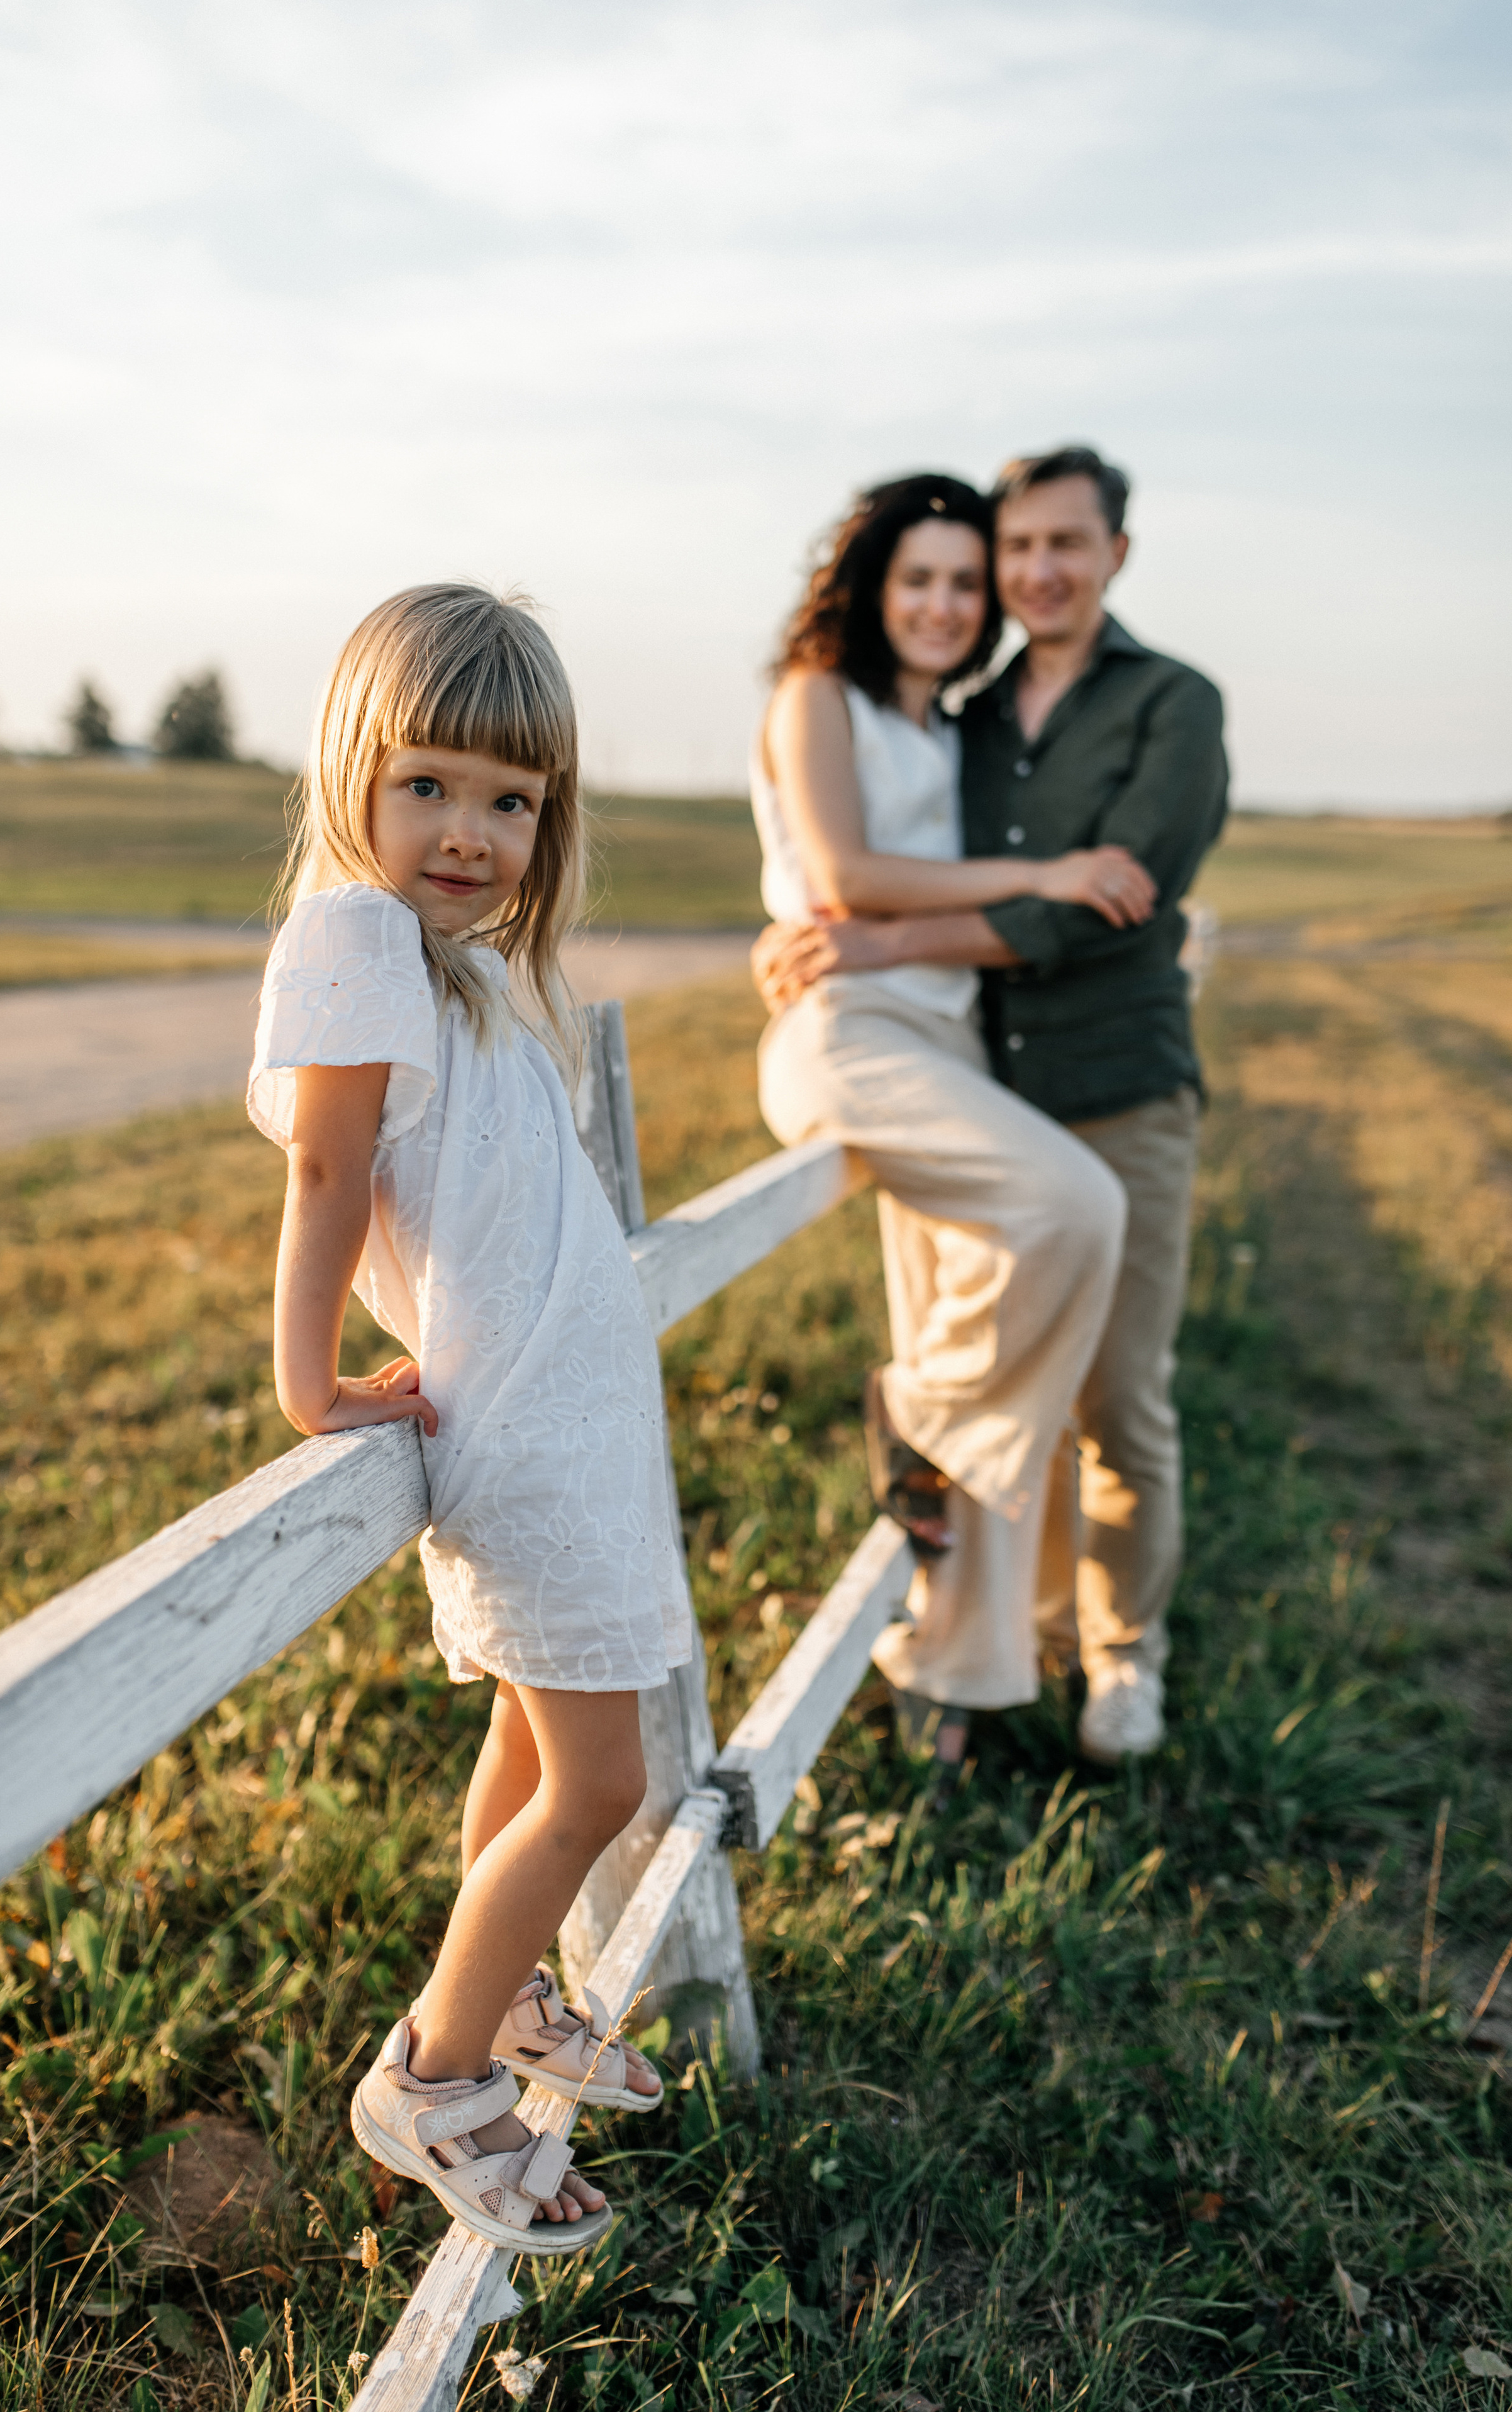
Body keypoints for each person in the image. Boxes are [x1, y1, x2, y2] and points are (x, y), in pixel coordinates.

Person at [247, 584, 691, 2255]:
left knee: (531, 1752)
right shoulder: (357, 936)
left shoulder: (473, 973)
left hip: (578, 1421)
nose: (472, 830)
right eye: (429, 781)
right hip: (524, 1441)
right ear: (354, 767)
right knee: (598, 1781)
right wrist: (306, 1381)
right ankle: (430, 2078)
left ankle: (495, 2001)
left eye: (512, 800)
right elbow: (323, 1165)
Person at [755, 448, 1229, 1762]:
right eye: (1001, 556)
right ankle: (976, 1653)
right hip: (975, 1069)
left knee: (1116, 1396)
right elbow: (845, 868)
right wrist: (829, 934)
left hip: (1112, 1077)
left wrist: (880, 937)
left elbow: (1101, 906)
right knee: (1014, 1367)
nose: (1022, 578)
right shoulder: (957, 719)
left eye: (1053, 549)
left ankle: (1118, 1653)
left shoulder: (1170, 704)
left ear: (1113, 553)